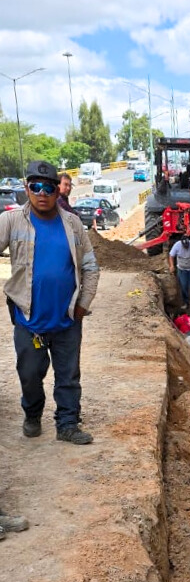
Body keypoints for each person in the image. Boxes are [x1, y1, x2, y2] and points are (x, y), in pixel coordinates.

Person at [0, 159, 100, 445]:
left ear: (58, 191)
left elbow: (91, 266)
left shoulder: (72, 224)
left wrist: (83, 303)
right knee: (30, 375)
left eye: (48, 187)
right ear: (26, 188)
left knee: (68, 376)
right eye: (35, 187)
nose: (42, 193)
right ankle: (32, 414)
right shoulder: (11, 221)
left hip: (67, 319)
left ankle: (67, 424)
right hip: (29, 321)